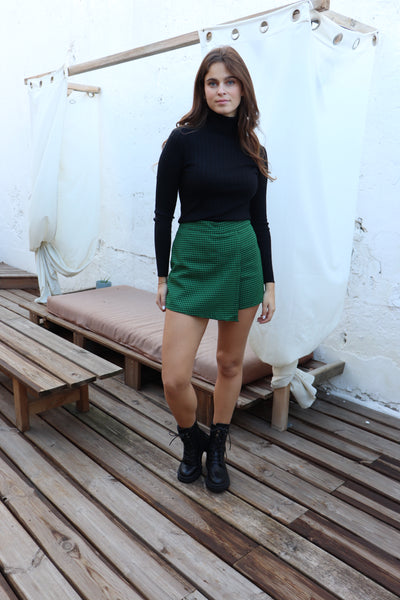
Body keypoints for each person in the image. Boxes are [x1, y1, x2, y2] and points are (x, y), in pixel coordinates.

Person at [154, 45, 275, 493]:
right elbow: (163, 214)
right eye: (212, 82)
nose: (221, 90)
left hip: (243, 258)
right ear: (202, 89)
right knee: (174, 376)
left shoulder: (254, 148)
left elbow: (260, 221)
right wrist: (163, 276)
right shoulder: (182, 141)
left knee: (229, 363)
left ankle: (218, 446)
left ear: (243, 88)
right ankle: (193, 442)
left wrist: (269, 282)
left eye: (229, 81)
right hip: (192, 259)